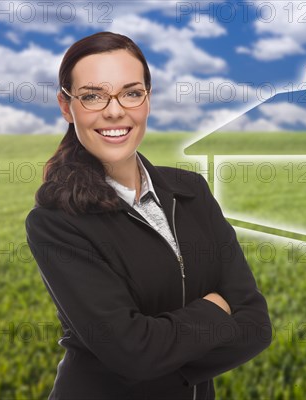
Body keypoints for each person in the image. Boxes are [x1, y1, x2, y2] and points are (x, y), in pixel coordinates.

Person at [25, 31, 271, 399]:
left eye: (131, 92)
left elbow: (255, 325)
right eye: (92, 96)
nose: (114, 110)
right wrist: (215, 310)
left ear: (148, 100)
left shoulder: (191, 193)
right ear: (66, 106)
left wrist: (156, 357)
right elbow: (132, 353)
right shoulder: (56, 222)